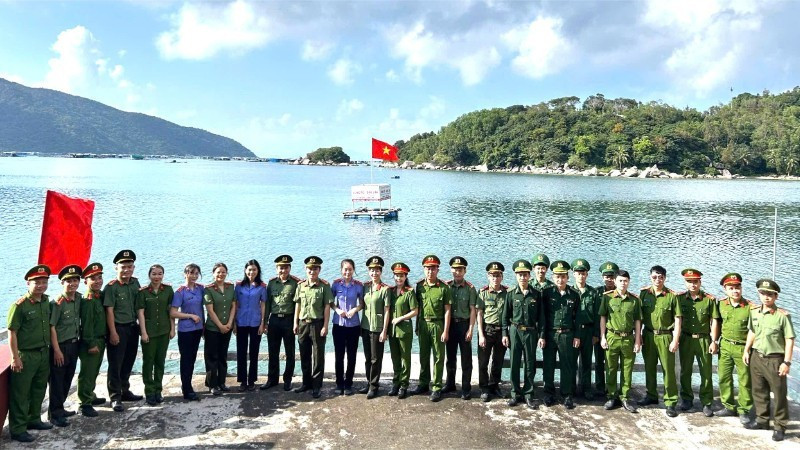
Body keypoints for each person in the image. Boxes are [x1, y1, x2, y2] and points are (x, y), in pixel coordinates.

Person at [743, 278, 795, 442]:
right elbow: (752, 332)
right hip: (757, 356)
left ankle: (780, 426)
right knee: (759, 391)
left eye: (770, 294)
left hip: (775, 360)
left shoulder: (782, 317)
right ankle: (762, 420)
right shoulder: (755, 312)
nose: (766, 297)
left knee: (779, 395)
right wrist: (746, 350)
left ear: (776, 297)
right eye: (763, 293)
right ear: (759, 294)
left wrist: (786, 362)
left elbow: (789, 339)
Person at [7, 265, 53, 443]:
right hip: (25, 355)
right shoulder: (19, 306)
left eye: (44, 282)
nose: (41, 286)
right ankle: (18, 429)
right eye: (37, 282)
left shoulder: (46, 302)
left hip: (43, 353)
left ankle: (34, 419)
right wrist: (15, 357)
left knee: (39, 389)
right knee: (20, 393)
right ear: (28, 283)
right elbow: (12, 333)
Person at [638, 265, 682, 417]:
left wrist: (675, 339)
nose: (657, 280)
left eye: (661, 277)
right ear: (650, 277)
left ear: (665, 278)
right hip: (649, 335)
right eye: (654, 277)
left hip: (665, 336)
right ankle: (651, 395)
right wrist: (638, 336)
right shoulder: (644, 294)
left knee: (668, 370)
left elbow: (677, 319)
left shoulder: (671, 296)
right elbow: (639, 317)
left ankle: (670, 401)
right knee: (649, 367)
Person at [502, 259, 545, 409]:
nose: (523, 277)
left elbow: (541, 317)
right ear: (516, 276)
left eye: (525, 274)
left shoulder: (536, 294)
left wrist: (541, 336)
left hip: (531, 332)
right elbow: (505, 316)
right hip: (515, 331)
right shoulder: (511, 293)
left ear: (529, 275)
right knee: (514, 363)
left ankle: (528, 393)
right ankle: (515, 393)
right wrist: (504, 334)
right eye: (520, 274)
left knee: (530, 363)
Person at [676, 268, 720, 416]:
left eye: (695, 282)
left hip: (703, 339)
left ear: (700, 282)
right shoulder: (680, 299)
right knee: (685, 371)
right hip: (686, 339)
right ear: (685, 283)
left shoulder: (709, 300)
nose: (693, 285)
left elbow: (714, 321)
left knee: (706, 372)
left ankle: (706, 402)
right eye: (689, 282)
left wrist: (714, 341)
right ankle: (687, 399)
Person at [103, 249, 143, 412]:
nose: (126, 270)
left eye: (129, 266)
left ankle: (125, 390)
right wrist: (112, 332)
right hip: (118, 328)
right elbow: (109, 311)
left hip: (132, 327)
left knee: (128, 361)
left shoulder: (135, 283)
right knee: (115, 364)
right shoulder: (111, 287)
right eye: (123, 267)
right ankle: (115, 397)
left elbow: (139, 306)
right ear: (116, 268)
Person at [599, 269, 641, 413]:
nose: (623, 283)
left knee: (627, 369)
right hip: (612, 337)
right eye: (620, 281)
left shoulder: (634, 300)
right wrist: (603, 337)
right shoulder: (607, 298)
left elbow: (637, 321)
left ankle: (625, 397)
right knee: (610, 368)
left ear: (629, 282)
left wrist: (637, 340)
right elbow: (603, 317)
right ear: (615, 281)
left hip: (628, 338)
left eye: (626, 281)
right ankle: (611, 396)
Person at [412, 254, 452, 402]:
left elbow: (448, 310)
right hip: (423, 324)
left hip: (438, 324)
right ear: (424, 269)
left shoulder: (443, 287)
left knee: (438, 357)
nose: (430, 271)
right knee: (423, 355)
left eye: (433, 268)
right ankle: (423, 383)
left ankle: (436, 386)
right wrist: (417, 326)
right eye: (428, 268)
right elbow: (418, 309)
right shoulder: (419, 286)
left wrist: (446, 330)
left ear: (437, 269)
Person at [293, 256, 334, 399]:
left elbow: (327, 307)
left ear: (319, 270)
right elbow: (297, 304)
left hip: (317, 324)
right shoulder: (301, 285)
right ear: (306, 269)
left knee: (318, 356)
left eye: (315, 268)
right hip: (303, 323)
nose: (312, 271)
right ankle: (306, 383)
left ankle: (317, 385)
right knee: (304, 354)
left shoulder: (324, 286)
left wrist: (325, 326)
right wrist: (295, 323)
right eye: (310, 269)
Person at [541, 260, 581, 409]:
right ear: (553, 277)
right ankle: (548, 393)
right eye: (557, 276)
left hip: (567, 335)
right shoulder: (546, 293)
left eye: (563, 276)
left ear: (568, 277)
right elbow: (543, 316)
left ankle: (567, 394)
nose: (560, 279)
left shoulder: (574, 295)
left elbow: (578, 317)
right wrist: (542, 336)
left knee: (567, 365)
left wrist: (577, 336)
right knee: (548, 364)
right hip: (551, 334)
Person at [715, 273, 753, 424]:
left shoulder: (750, 307)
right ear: (725, 290)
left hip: (742, 347)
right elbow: (717, 323)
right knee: (724, 377)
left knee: (745, 380)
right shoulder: (721, 304)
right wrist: (715, 341)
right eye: (731, 288)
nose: (735, 291)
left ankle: (744, 410)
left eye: (737, 287)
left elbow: (753, 330)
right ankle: (728, 406)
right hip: (724, 345)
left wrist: (748, 349)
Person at [48, 264, 83, 427]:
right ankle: (54, 414)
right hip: (60, 346)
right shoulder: (58, 303)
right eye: (69, 281)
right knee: (57, 380)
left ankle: (60, 407)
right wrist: (56, 350)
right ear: (62, 283)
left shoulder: (78, 298)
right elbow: (52, 327)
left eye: (75, 280)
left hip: (73, 344)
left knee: (68, 377)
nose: (73, 284)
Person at [136, 264, 176, 406]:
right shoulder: (143, 292)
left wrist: (173, 329)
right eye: (154, 274)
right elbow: (140, 313)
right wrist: (144, 332)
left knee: (160, 361)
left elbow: (171, 310)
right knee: (148, 362)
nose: (157, 277)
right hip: (150, 333)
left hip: (164, 331)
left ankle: (158, 390)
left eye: (160, 274)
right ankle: (149, 391)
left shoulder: (168, 290)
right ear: (149, 275)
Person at [262, 254, 301, 391]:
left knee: (290, 351)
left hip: (288, 320)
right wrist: (265, 322)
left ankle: (287, 379)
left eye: (285, 268)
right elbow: (267, 304)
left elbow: (298, 304)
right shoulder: (271, 283)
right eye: (280, 268)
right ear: (276, 268)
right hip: (274, 320)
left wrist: (296, 322)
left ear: (289, 268)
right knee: (273, 351)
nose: (282, 270)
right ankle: (272, 379)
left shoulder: (296, 283)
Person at [443, 256, 477, 400]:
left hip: (464, 325)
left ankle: (466, 387)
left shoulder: (470, 288)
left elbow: (473, 310)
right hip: (450, 326)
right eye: (455, 269)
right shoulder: (447, 286)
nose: (457, 272)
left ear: (465, 271)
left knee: (466, 359)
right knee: (450, 357)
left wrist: (470, 329)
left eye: (460, 270)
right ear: (451, 270)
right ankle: (450, 383)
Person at [77, 262, 108, 417]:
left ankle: (91, 395)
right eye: (93, 278)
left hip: (101, 339)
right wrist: (91, 343)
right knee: (87, 373)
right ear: (86, 281)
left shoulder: (99, 296)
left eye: (99, 277)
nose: (97, 281)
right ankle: (84, 403)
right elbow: (87, 325)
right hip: (92, 341)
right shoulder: (88, 300)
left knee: (94, 371)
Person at [170, 263, 205, 401]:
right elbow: (172, 312)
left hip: (198, 329)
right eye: (191, 273)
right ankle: (186, 388)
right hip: (186, 330)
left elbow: (203, 307)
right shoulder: (180, 292)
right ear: (185, 274)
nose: (194, 276)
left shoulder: (200, 289)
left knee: (193, 358)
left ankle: (188, 385)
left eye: (196, 273)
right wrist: (190, 316)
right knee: (186, 359)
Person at [359, 256, 391, 399]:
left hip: (378, 328)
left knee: (376, 358)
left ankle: (374, 386)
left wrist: (385, 331)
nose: (374, 273)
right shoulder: (365, 287)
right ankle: (368, 382)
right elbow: (362, 305)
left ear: (381, 272)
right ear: (368, 271)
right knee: (367, 358)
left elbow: (387, 311)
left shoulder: (385, 289)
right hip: (365, 326)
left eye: (377, 270)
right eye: (372, 270)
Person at [204, 262, 237, 396]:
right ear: (213, 274)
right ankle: (212, 385)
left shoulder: (230, 287)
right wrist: (220, 326)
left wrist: (229, 323)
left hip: (227, 327)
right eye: (218, 272)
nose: (221, 274)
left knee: (223, 355)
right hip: (213, 328)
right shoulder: (209, 289)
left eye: (223, 272)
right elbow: (210, 311)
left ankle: (222, 382)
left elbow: (233, 306)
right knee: (212, 357)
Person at [476, 262, 508, 402]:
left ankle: (494, 385)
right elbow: (479, 314)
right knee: (483, 361)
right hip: (487, 330)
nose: (495, 278)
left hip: (501, 331)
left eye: (498, 275)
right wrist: (481, 334)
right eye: (492, 275)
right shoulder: (483, 293)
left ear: (502, 277)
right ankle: (484, 388)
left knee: (498, 361)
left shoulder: (507, 293)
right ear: (488, 277)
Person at [331, 259, 363, 396]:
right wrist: (337, 310)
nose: (347, 272)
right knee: (339, 356)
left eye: (350, 269)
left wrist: (355, 310)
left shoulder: (358, 286)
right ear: (341, 270)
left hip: (353, 325)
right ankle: (339, 383)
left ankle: (349, 383)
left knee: (351, 356)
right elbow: (330, 302)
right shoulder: (336, 285)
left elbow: (362, 303)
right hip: (338, 324)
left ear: (353, 270)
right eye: (345, 269)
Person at [234, 260, 267, 392]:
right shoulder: (238, 286)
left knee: (254, 352)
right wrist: (234, 324)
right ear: (245, 270)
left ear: (258, 271)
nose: (251, 272)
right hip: (241, 322)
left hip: (255, 322)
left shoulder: (262, 287)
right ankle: (242, 380)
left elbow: (263, 304)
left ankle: (252, 380)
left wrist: (262, 323)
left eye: (254, 270)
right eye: (249, 269)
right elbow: (235, 304)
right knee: (241, 352)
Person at [571, 259, 601, 401]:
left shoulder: (593, 293)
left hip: (588, 331)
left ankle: (587, 388)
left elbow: (597, 315)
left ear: (587, 275)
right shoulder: (570, 291)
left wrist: (596, 333)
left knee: (587, 361)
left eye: (583, 273)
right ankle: (571, 388)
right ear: (573, 274)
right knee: (571, 361)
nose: (581, 276)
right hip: (573, 331)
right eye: (578, 273)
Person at [388, 262, 418, 399]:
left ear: (406, 276)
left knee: (405, 358)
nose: (399, 278)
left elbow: (415, 311)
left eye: (401, 276)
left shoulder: (409, 292)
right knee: (395, 358)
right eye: (397, 275)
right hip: (392, 330)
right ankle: (396, 382)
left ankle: (404, 385)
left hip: (404, 329)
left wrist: (401, 318)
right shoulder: (390, 291)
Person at [594, 261, 618, 395]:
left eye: (611, 276)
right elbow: (594, 314)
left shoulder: (620, 291)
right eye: (606, 276)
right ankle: (599, 387)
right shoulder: (597, 292)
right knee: (598, 361)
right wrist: (596, 334)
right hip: (599, 333)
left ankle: (611, 387)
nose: (609, 279)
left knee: (613, 363)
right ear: (602, 277)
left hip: (615, 333)